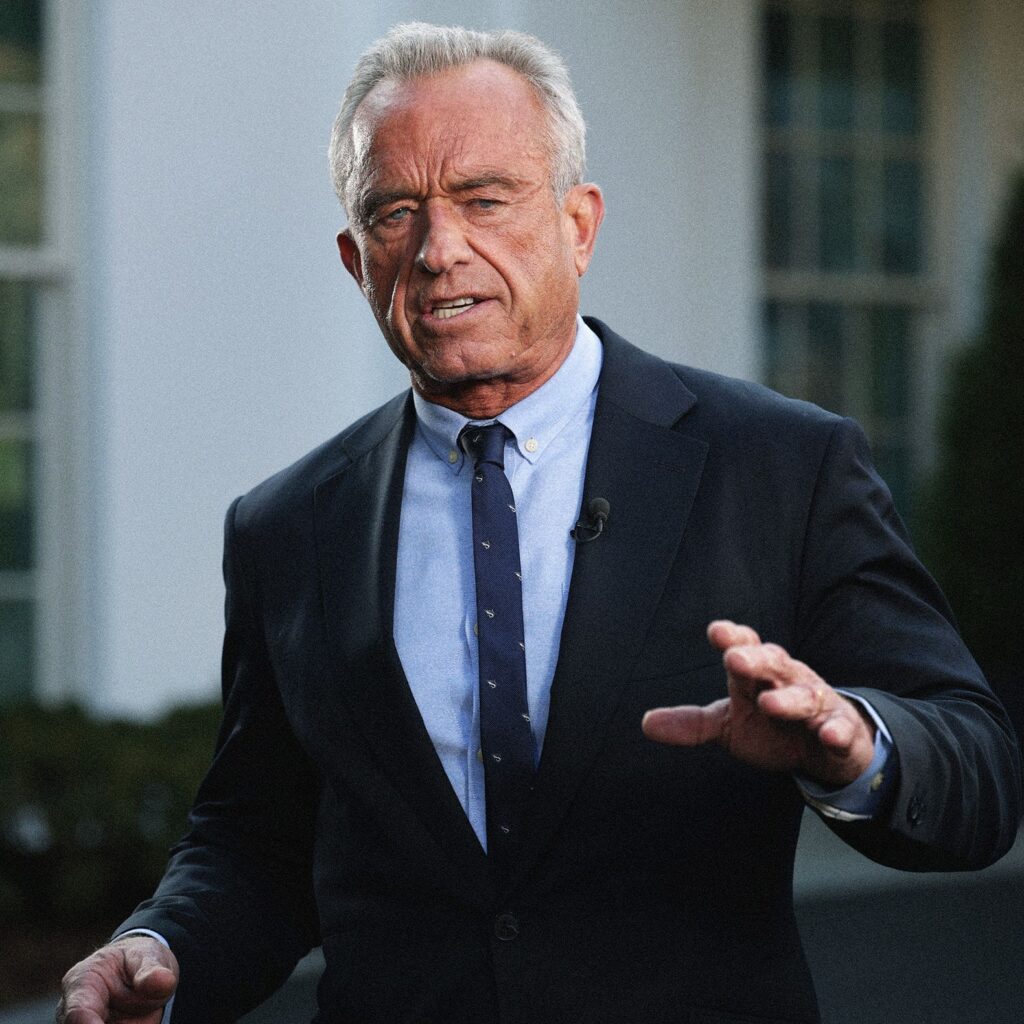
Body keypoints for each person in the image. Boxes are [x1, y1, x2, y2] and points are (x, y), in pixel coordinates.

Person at [58, 22, 1021, 1024]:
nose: (439, 251)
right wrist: (161, 947)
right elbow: (259, 838)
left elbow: (978, 771)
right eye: (396, 213)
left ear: (578, 224)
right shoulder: (288, 527)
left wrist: (852, 744)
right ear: (356, 260)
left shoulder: (780, 466)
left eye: (484, 199)